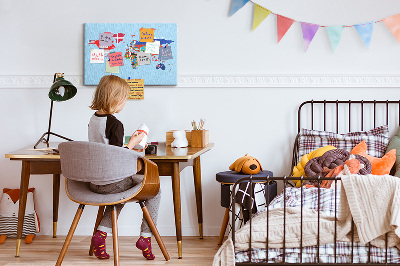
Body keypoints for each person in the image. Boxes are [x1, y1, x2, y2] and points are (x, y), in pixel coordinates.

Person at [88, 75, 161, 260]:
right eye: (124, 99)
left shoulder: (93, 120)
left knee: (119, 194)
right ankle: (146, 237)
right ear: (115, 99)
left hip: (94, 182)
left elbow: (106, 149)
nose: (124, 103)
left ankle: (101, 235)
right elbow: (117, 156)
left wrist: (131, 145)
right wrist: (134, 143)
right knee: (154, 189)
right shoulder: (115, 124)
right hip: (111, 182)